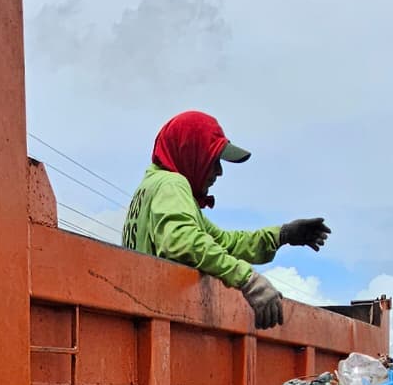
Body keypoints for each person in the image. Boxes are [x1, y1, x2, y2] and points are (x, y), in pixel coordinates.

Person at [122, 110, 328, 329]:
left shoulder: (150, 189)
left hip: (146, 323)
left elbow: (224, 242)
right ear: (191, 152)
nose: (219, 172)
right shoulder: (172, 185)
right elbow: (183, 241)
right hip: (162, 326)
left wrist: (280, 235)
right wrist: (248, 280)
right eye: (214, 160)